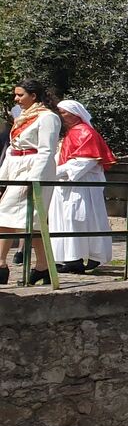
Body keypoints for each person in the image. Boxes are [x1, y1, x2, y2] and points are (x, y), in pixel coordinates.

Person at [0, 79, 61, 285]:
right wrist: (3, 177)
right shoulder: (23, 117)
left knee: (13, 216)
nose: (16, 99)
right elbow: (12, 148)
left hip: (35, 168)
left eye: (20, 95)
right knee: (30, 222)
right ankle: (43, 266)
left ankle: (1, 264)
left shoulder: (48, 117)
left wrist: (34, 179)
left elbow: (47, 150)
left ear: (33, 96)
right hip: (17, 167)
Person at [47, 99, 117, 275]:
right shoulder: (69, 133)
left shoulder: (85, 132)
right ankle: (68, 257)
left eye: (63, 112)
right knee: (64, 221)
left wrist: (53, 172)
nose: (60, 116)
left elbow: (84, 162)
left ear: (75, 114)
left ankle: (79, 258)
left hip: (81, 186)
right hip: (65, 185)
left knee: (77, 220)